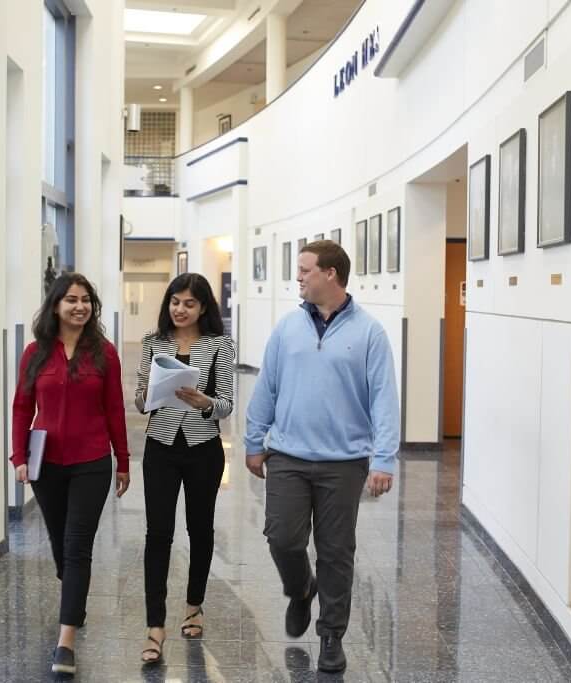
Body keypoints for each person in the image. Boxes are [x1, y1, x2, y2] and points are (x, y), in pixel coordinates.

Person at [244, 240, 399, 674]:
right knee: (282, 537)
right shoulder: (287, 328)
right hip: (288, 455)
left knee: (336, 551)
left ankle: (331, 634)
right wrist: (254, 440)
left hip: (344, 463)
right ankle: (300, 588)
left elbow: (384, 399)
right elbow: (267, 387)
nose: (298, 277)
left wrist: (384, 458)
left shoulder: (369, 332)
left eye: (304, 270)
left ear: (331, 274)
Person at [10, 273, 131, 677]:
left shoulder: (104, 353)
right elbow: (22, 406)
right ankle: (73, 602)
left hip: (91, 462)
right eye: (71, 300)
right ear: (56, 305)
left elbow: (114, 408)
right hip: (47, 465)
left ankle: (66, 642)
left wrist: (124, 460)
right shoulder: (35, 353)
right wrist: (19, 456)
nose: (80, 306)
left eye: (86, 300)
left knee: (78, 546)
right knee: (63, 548)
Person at [134, 273, 235, 665]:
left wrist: (203, 401)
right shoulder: (153, 342)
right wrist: (146, 397)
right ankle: (154, 626)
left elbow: (226, 404)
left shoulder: (220, 345)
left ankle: (194, 605)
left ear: (203, 307)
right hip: (160, 446)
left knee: (200, 529)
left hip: (203, 449)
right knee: (157, 534)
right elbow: (140, 398)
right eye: (175, 301)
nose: (180, 309)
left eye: (189, 303)